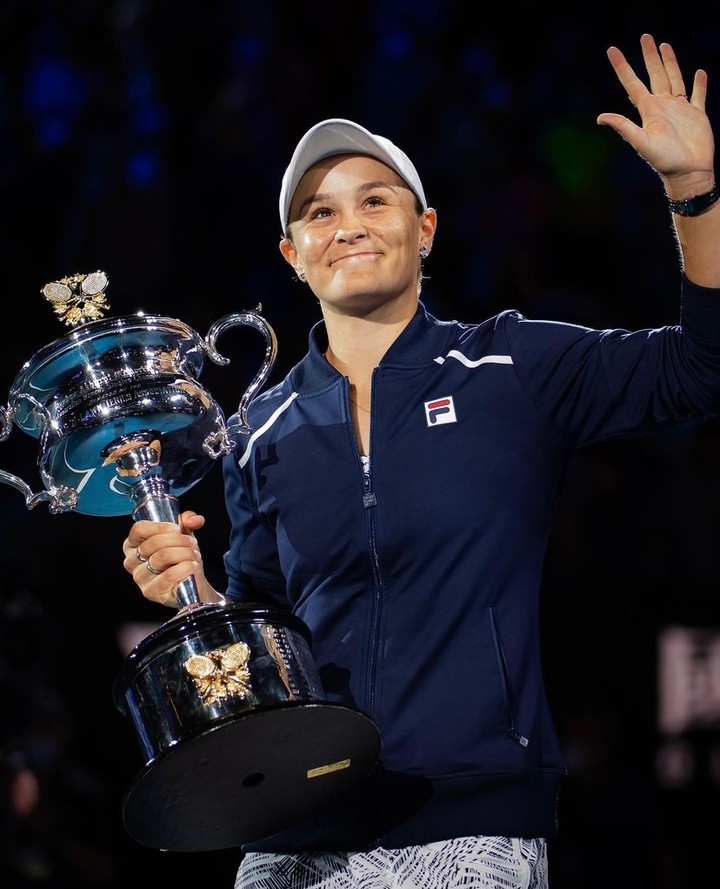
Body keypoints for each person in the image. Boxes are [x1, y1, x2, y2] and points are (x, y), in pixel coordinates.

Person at [121, 33, 720, 888]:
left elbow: (701, 368)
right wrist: (199, 597)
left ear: (425, 227)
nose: (348, 226)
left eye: (375, 200)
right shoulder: (257, 428)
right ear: (293, 256)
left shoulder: (513, 366)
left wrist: (694, 192)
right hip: (294, 825)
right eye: (318, 213)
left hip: (471, 819)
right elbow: (271, 636)